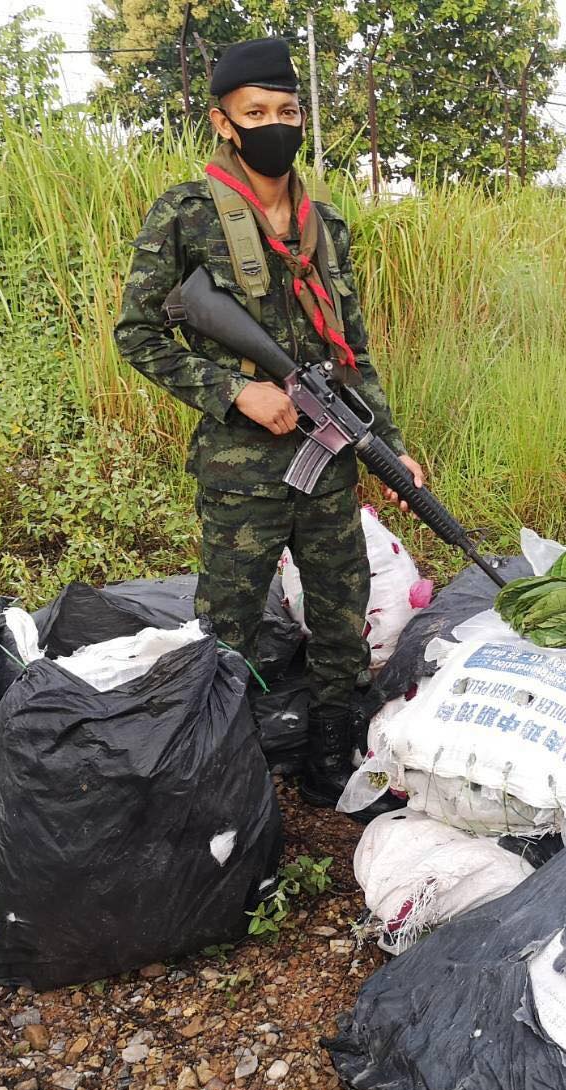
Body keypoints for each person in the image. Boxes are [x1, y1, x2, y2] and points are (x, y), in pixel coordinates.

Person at [115, 37, 419, 812]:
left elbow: (353, 353)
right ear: (224, 122)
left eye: (288, 111)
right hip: (242, 469)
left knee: (341, 612)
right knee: (231, 622)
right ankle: (214, 766)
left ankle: (327, 754)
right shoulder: (186, 213)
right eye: (257, 113)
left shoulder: (329, 229)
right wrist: (232, 391)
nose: (275, 124)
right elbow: (138, 332)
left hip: (328, 461)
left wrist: (388, 444)